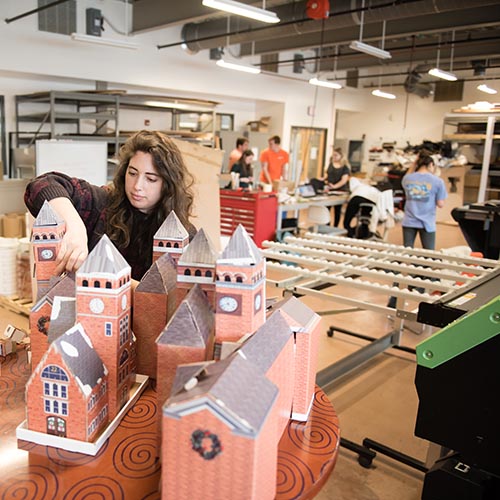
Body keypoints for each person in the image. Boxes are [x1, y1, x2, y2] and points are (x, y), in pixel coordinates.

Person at [24, 130, 197, 282]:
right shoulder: (102, 203)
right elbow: (43, 184)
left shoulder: (183, 234)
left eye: (151, 179)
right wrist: (75, 226)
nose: (137, 185)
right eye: (132, 173)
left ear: (168, 184)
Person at [401, 154, 447, 250]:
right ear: (431, 164)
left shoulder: (407, 179)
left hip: (409, 221)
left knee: (406, 251)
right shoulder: (438, 181)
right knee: (428, 253)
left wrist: (414, 163)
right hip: (427, 222)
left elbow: (407, 175)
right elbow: (440, 204)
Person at [322, 147, 351, 227]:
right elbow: (328, 175)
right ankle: (326, 225)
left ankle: (335, 226)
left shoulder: (345, 167)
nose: (334, 157)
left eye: (336, 155)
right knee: (326, 208)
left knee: (337, 210)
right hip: (330, 189)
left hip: (340, 191)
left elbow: (343, 180)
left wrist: (335, 186)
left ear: (341, 156)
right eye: (333, 155)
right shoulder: (331, 164)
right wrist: (323, 179)